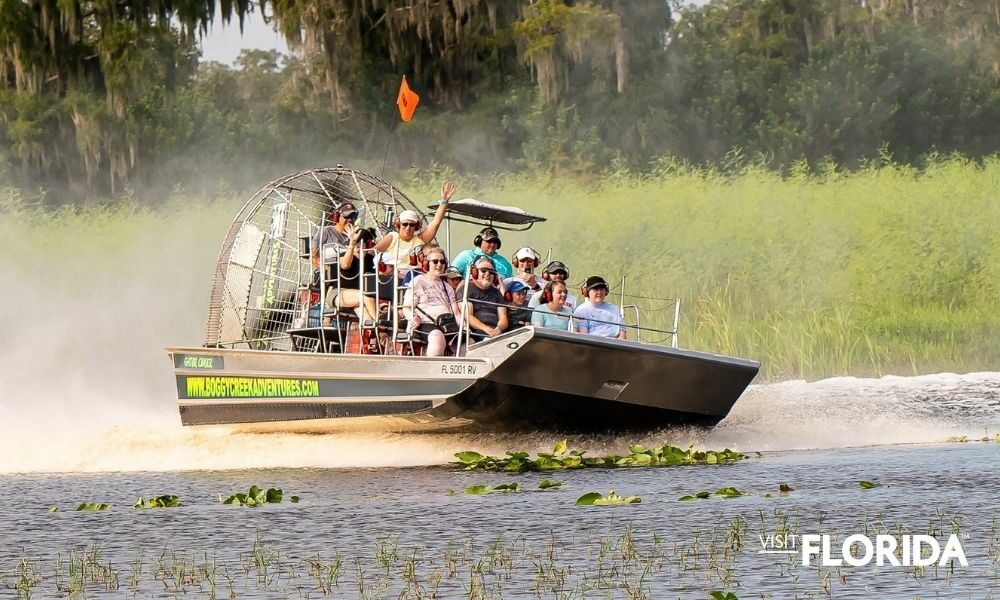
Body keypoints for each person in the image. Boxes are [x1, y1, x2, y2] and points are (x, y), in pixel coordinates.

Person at [374, 181, 455, 281]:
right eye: (405, 224)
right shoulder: (392, 237)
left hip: (413, 278)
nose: (408, 227)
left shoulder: (420, 239)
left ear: (416, 226)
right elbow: (373, 252)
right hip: (390, 278)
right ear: (399, 225)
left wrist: (444, 201)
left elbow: (436, 222)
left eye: (412, 225)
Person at [405, 246, 461, 356]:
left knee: (467, 342)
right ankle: (430, 371)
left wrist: (464, 327)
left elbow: (456, 312)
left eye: (442, 261)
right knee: (437, 338)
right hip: (426, 323)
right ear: (427, 264)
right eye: (435, 261)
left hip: (448, 324)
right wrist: (413, 318)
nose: (439, 264)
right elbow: (407, 307)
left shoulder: (447, 287)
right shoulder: (417, 281)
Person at [329, 226, 379, 326]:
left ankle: (375, 336)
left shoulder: (371, 260)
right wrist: (351, 244)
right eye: (356, 242)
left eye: (360, 242)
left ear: (367, 244)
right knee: (366, 296)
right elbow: (345, 265)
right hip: (339, 292)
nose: (357, 245)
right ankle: (379, 324)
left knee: (366, 317)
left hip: (358, 296)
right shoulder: (345, 254)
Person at [457, 256, 508, 340]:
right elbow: (468, 316)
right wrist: (487, 329)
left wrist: (498, 329)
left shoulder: (497, 293)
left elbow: (503, 318)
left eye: (491, 272)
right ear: (474, 272)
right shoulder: (465, 290)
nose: (487, 274)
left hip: (497, 332)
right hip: (477, 332)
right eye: (483, 270)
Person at [311, 201, 356, 272]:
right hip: (328, 276)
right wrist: (327, 268)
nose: (350, 220)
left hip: (351, 275)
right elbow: (314, 257)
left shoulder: (356, 235)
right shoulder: (326, 231)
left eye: (353, 216)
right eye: (346, 216)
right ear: (337, 217)